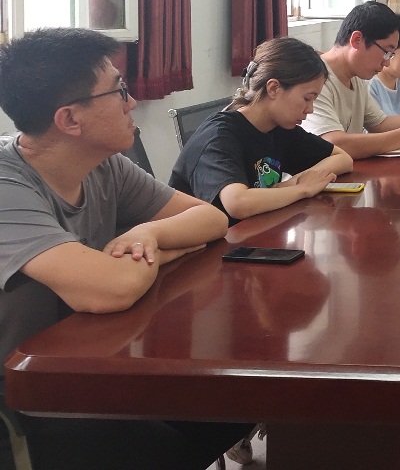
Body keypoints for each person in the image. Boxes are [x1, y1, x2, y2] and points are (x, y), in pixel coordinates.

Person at [0, 28, 248, 470]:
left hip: (94, 359)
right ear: (69, 120)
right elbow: (109, 290)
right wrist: (162, 249)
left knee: (234, 403)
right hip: (26, 393)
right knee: (168, 444)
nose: (132, 102)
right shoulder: (7, 185)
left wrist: (148, 236)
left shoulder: (104, 164)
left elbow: (211, 219)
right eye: (118, 91)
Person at [170, 37, 355, 223]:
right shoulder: (218, 136)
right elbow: (238, 203)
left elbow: (343, 159)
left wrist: (291, 184)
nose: (310, 109)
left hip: (253, 231)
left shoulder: (279, 127)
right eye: (307, 98)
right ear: (273, 88)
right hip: (206, 240)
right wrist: (301, 189)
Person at [302, 1, 400, 158]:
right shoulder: (314, 79)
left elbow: (380, 124)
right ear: (357, 40)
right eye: (387, 52)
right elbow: (334, 144)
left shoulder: (356, 78)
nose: (387, 62)